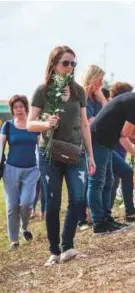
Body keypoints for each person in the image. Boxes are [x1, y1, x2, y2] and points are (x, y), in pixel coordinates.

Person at [27, 45, 96, 266]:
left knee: (77, 198)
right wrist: (46, 124)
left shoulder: (78, 91)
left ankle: (68, 246)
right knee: (53, 202)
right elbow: (29, 124)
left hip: (76, 152)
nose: (69, 67)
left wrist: (91, 156)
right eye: (65, 63)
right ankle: (54, 251)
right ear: (54, 64)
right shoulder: (42, 90)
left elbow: (84, 124)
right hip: (49, 152)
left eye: (73, 63)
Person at [87, 84, 135, 234]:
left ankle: (106, 219)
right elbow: (126, 133)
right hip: (98, 139)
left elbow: (131, 133)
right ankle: (99, 223)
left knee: (107, 180)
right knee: (97, 182)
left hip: (105, 141)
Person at [1, 95, 41, 251]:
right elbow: (1, 147)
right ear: (12, 110)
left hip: (31, 171)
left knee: (25, 203)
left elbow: (40, 148)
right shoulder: (8, 126)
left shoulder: (33, 126)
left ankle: (24, 227)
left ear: (26, 108)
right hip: (10, 170)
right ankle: (14, 241)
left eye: (21, 106)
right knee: (12, 207)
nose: (18, 109)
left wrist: (40, 167)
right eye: (15, 107)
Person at [77, 65, 108, 231]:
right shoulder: (83, 99)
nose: (102, 82)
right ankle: (93, 219)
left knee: (104, 180)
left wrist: (103, 99)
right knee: (92, 182)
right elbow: (90, 123)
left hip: (101, 143)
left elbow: (110, 115)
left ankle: (101, 216)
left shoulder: (97, 98)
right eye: (100, 79)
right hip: (88, 144)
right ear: (92, 78)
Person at [108, 82, 135, 222]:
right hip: (113, 150)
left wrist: (132, 138)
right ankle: (128, 212)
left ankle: (108, 213)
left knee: (113, 182)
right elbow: (121, 136)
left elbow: (124, 133)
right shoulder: (115, 111)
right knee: (115, 180)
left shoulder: (120, 111)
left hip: (119, 152)